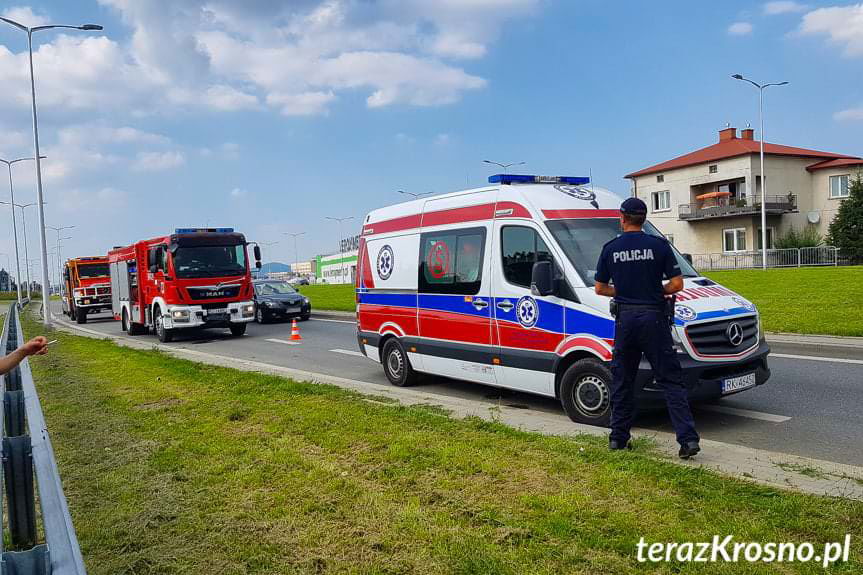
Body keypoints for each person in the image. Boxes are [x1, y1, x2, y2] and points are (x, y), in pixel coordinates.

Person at [593, 197, 701, 459]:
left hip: (626, 321)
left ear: (622, 218)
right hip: (654, 318)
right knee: (671, 380)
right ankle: (687, 440)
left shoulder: (611, 248)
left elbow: (600, 288)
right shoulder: (659, 246)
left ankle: (618, 438)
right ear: (643, 219)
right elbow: (677, 284)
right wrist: (654, 291)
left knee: (623, 380)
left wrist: (625, 291)